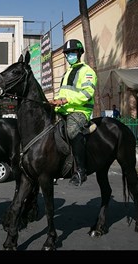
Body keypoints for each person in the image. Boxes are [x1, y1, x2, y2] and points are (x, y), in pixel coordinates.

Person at [49, 39, 97, 186]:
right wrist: (53, 101)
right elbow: (63, 92)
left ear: (79, 53)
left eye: (72, 52)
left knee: (71, 131)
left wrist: (64, 100)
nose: (69, 55)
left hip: (80, 110)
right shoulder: (67, 73)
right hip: (64, 110)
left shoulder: (87, 71)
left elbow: (86, 94)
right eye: (67, 53)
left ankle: (81, 170)